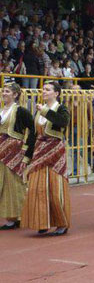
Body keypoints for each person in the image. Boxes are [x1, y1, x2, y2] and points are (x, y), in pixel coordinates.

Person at [21, 81, 71, 235]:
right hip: (39, 152)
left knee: (55, 189)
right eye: (44, 89)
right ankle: (42, 221)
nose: (44, 92)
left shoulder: (61, 109)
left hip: (55, 152)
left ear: (56, 93)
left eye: (48, 90)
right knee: (38, 188)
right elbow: (34, 135)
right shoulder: (39, 110)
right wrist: (26, 157)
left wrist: (45, 111)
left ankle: (62, 222)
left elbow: (63, 122)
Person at [0, 83, 35, 230]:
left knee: (13, 184)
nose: (4, 93)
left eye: (7, 91)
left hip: (14, 151)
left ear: (15, 95)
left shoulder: (21, 111)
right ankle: (10, 215)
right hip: (1, 149)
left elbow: (33, 130)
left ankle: (17, 216)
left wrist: (27, 150)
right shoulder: (1, 110)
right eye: (3, 91)